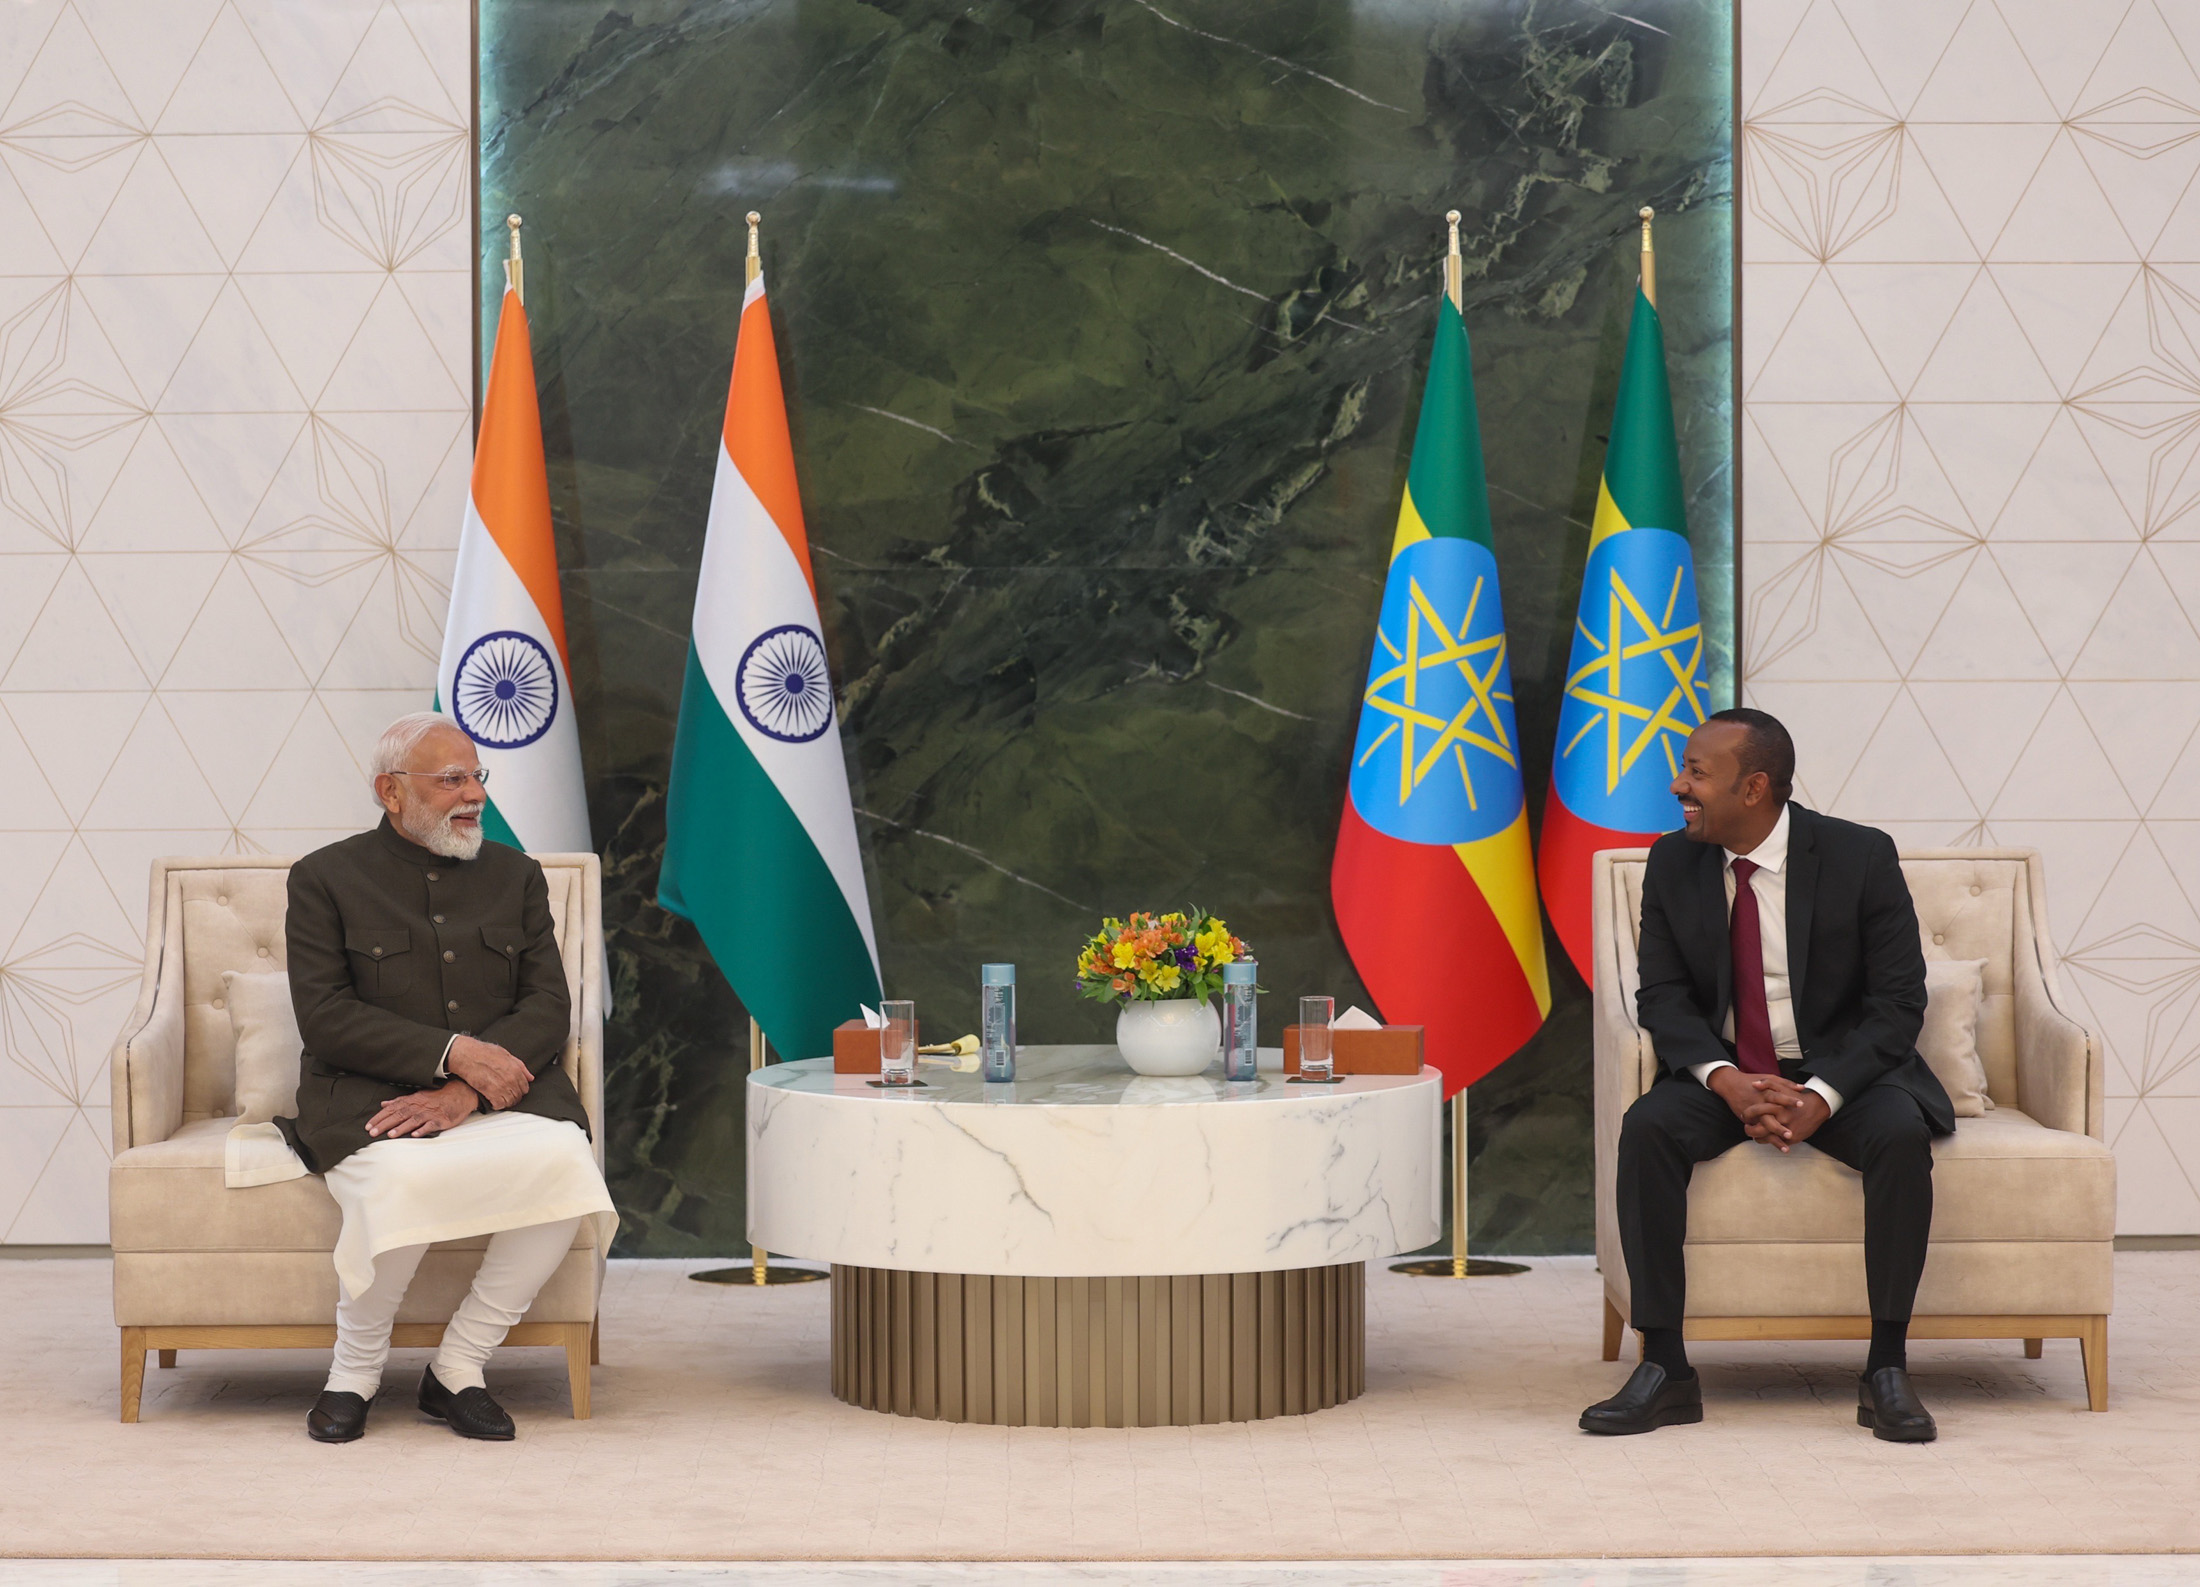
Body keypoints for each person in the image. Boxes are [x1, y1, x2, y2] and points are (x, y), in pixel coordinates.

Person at [1579, 707, 1953, 1443]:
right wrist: (1723, 1078)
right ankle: (1665, 1367)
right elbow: (1662, 996)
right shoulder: (1672, 861)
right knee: (1648, 1128)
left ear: (1753, 788)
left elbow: (1899, 1002)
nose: (1677, 785)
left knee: (1899, 1135)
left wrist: (1821, 1095)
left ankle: (1886, 1367)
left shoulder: (1859, 856)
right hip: (1727, 1068)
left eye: (1695, 773)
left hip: (1841, 1070)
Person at [278, 711, 615, 1443]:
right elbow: (326, 1017)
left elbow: (548, 1006)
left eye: (477, 777)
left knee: (567, 1163)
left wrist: (469, 1088)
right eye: (452, 779)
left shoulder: (516, 876)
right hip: (368, 1093)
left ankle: (459, 1366)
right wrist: (453, 1054)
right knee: (403, 1176)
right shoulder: (324, 878)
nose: (475, 795)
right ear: (391, 791)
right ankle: (354, 1373)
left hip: (503, 1092)